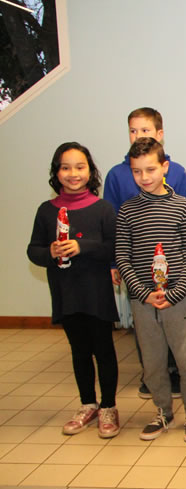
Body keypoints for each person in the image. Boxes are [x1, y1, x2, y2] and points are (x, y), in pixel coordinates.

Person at [27, 143, 120, 438]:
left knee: (103, 351)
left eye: (80, 167)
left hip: (97, 293)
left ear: (90, 171)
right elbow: (33, 250)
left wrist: (83, 246)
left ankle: (108, 406)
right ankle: (87, 403)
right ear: (57, 172)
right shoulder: (46, 211)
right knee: (79, 351)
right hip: (66, 293)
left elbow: (113, 248)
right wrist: (50, 251)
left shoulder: (103, 209)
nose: (73, 173)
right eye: (65, 167)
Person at [103, 107, 186, 400]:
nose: (143, 176)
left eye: (144, 130)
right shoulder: (117, 176)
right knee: (148, 334)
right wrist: (114, 264)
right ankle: (154, 382)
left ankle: (179, 380)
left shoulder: (176, 173)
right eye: (133, 130)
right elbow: (113, 224)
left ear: (159, 135)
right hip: (139, 274)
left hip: (175, 275)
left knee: (180, 339)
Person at [115, 138, 186, 442]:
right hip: (143, 301)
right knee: (152, 363)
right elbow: (123, 257)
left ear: (164, 167)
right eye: (137, 171)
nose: (144, 177)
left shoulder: (181, 206)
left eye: (150, 169)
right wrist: (142, 293)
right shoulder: (127, 211)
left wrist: (177, 292)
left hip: (177, 298)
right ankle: (163, 411)